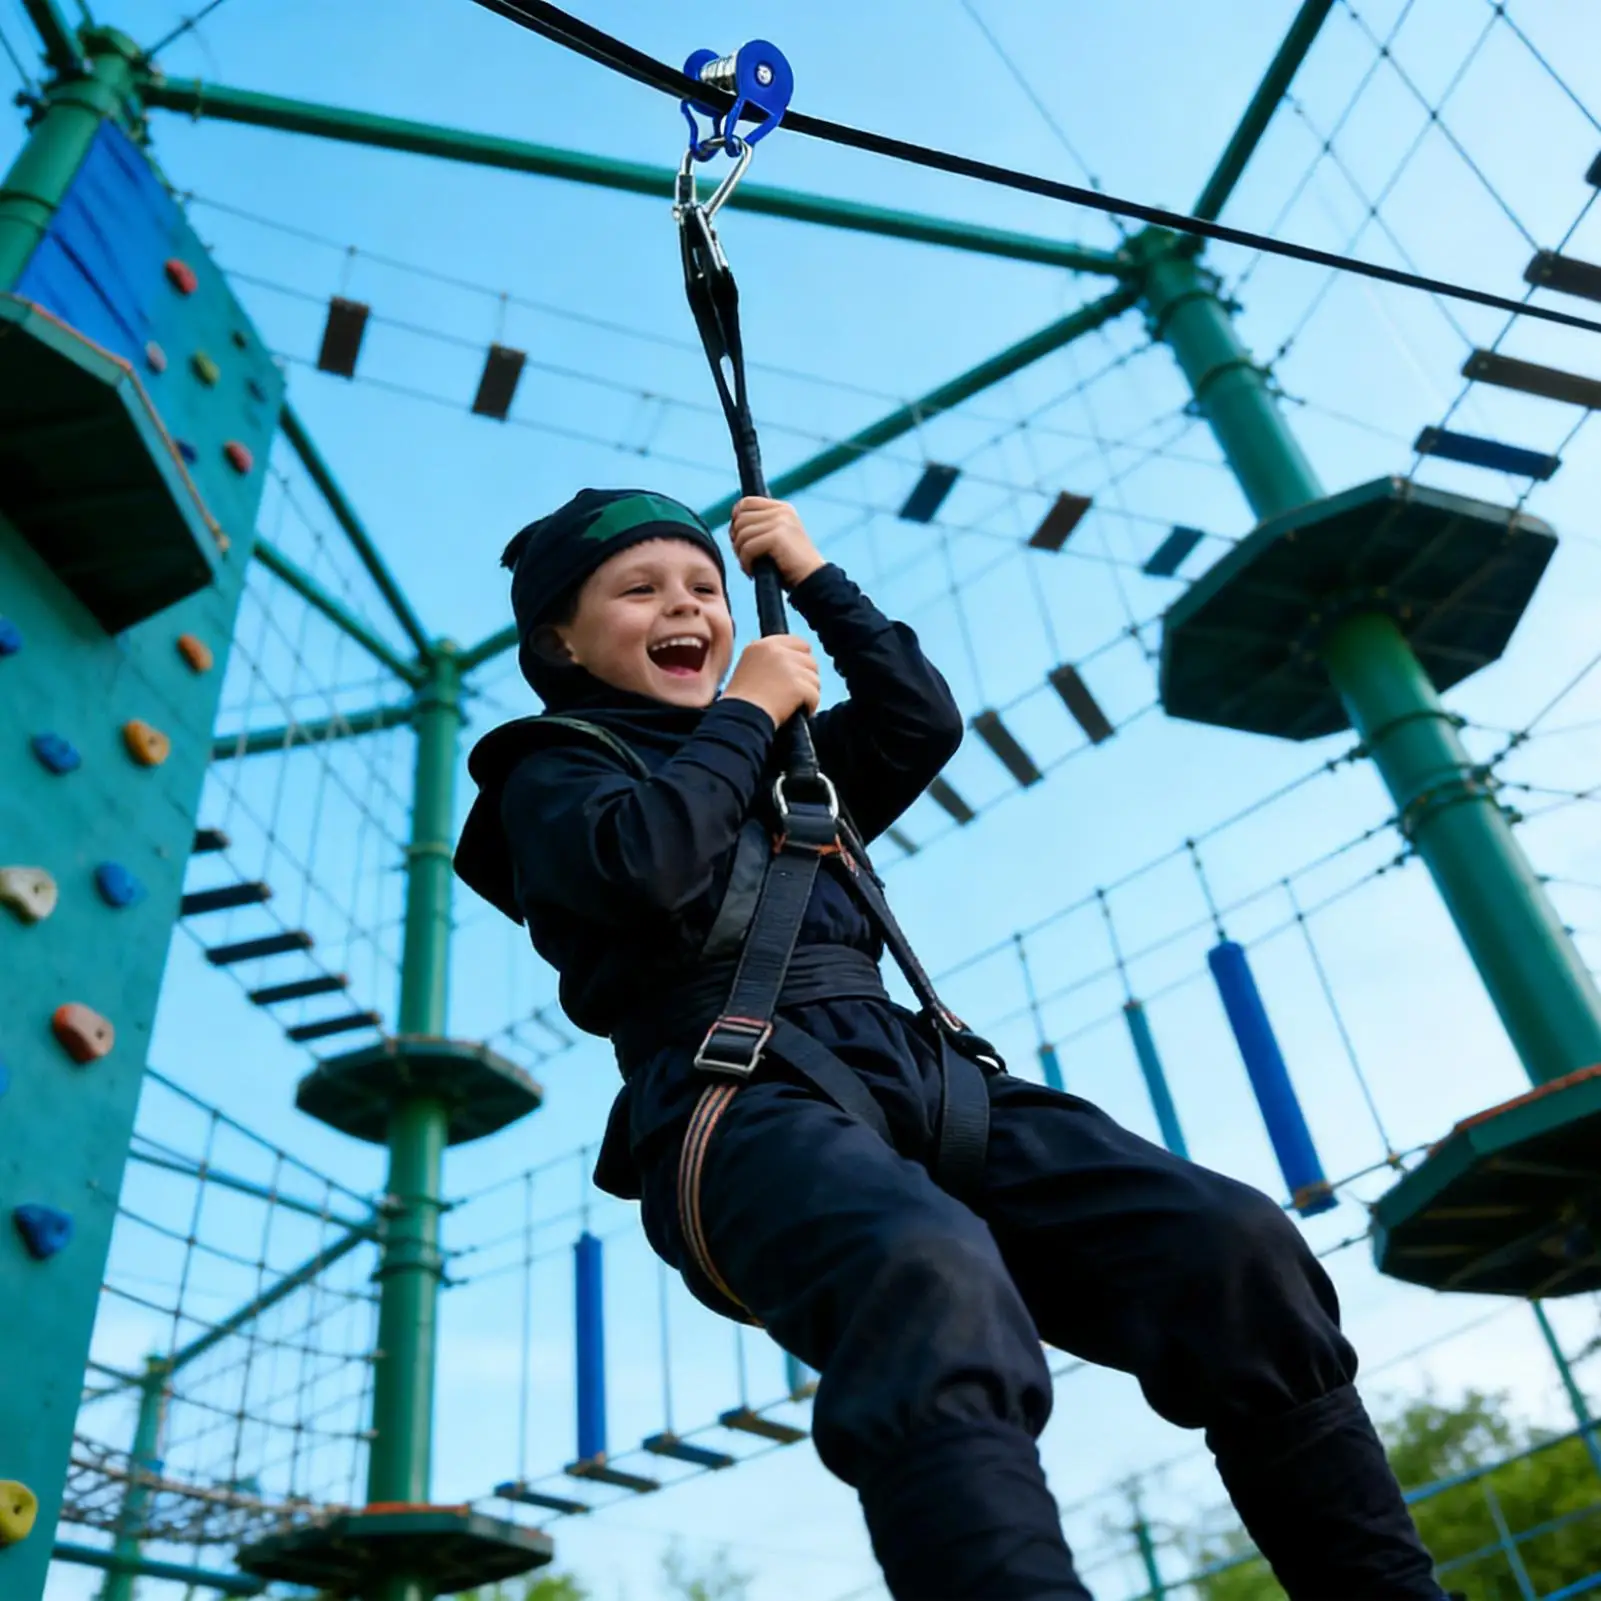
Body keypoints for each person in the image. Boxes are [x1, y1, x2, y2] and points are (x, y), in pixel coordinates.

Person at [455, 487, 1444, 1601]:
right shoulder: (549, 769)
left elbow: (917, 719)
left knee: (1230, 1244)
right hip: (734, 1090)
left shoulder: (792, 759)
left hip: (916, 1064)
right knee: (920, 1266)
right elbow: (640, 869)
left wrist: (817, 581)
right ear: (561, 641)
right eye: (638, 592)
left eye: (703, 589)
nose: (685, 608)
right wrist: (746, 709)